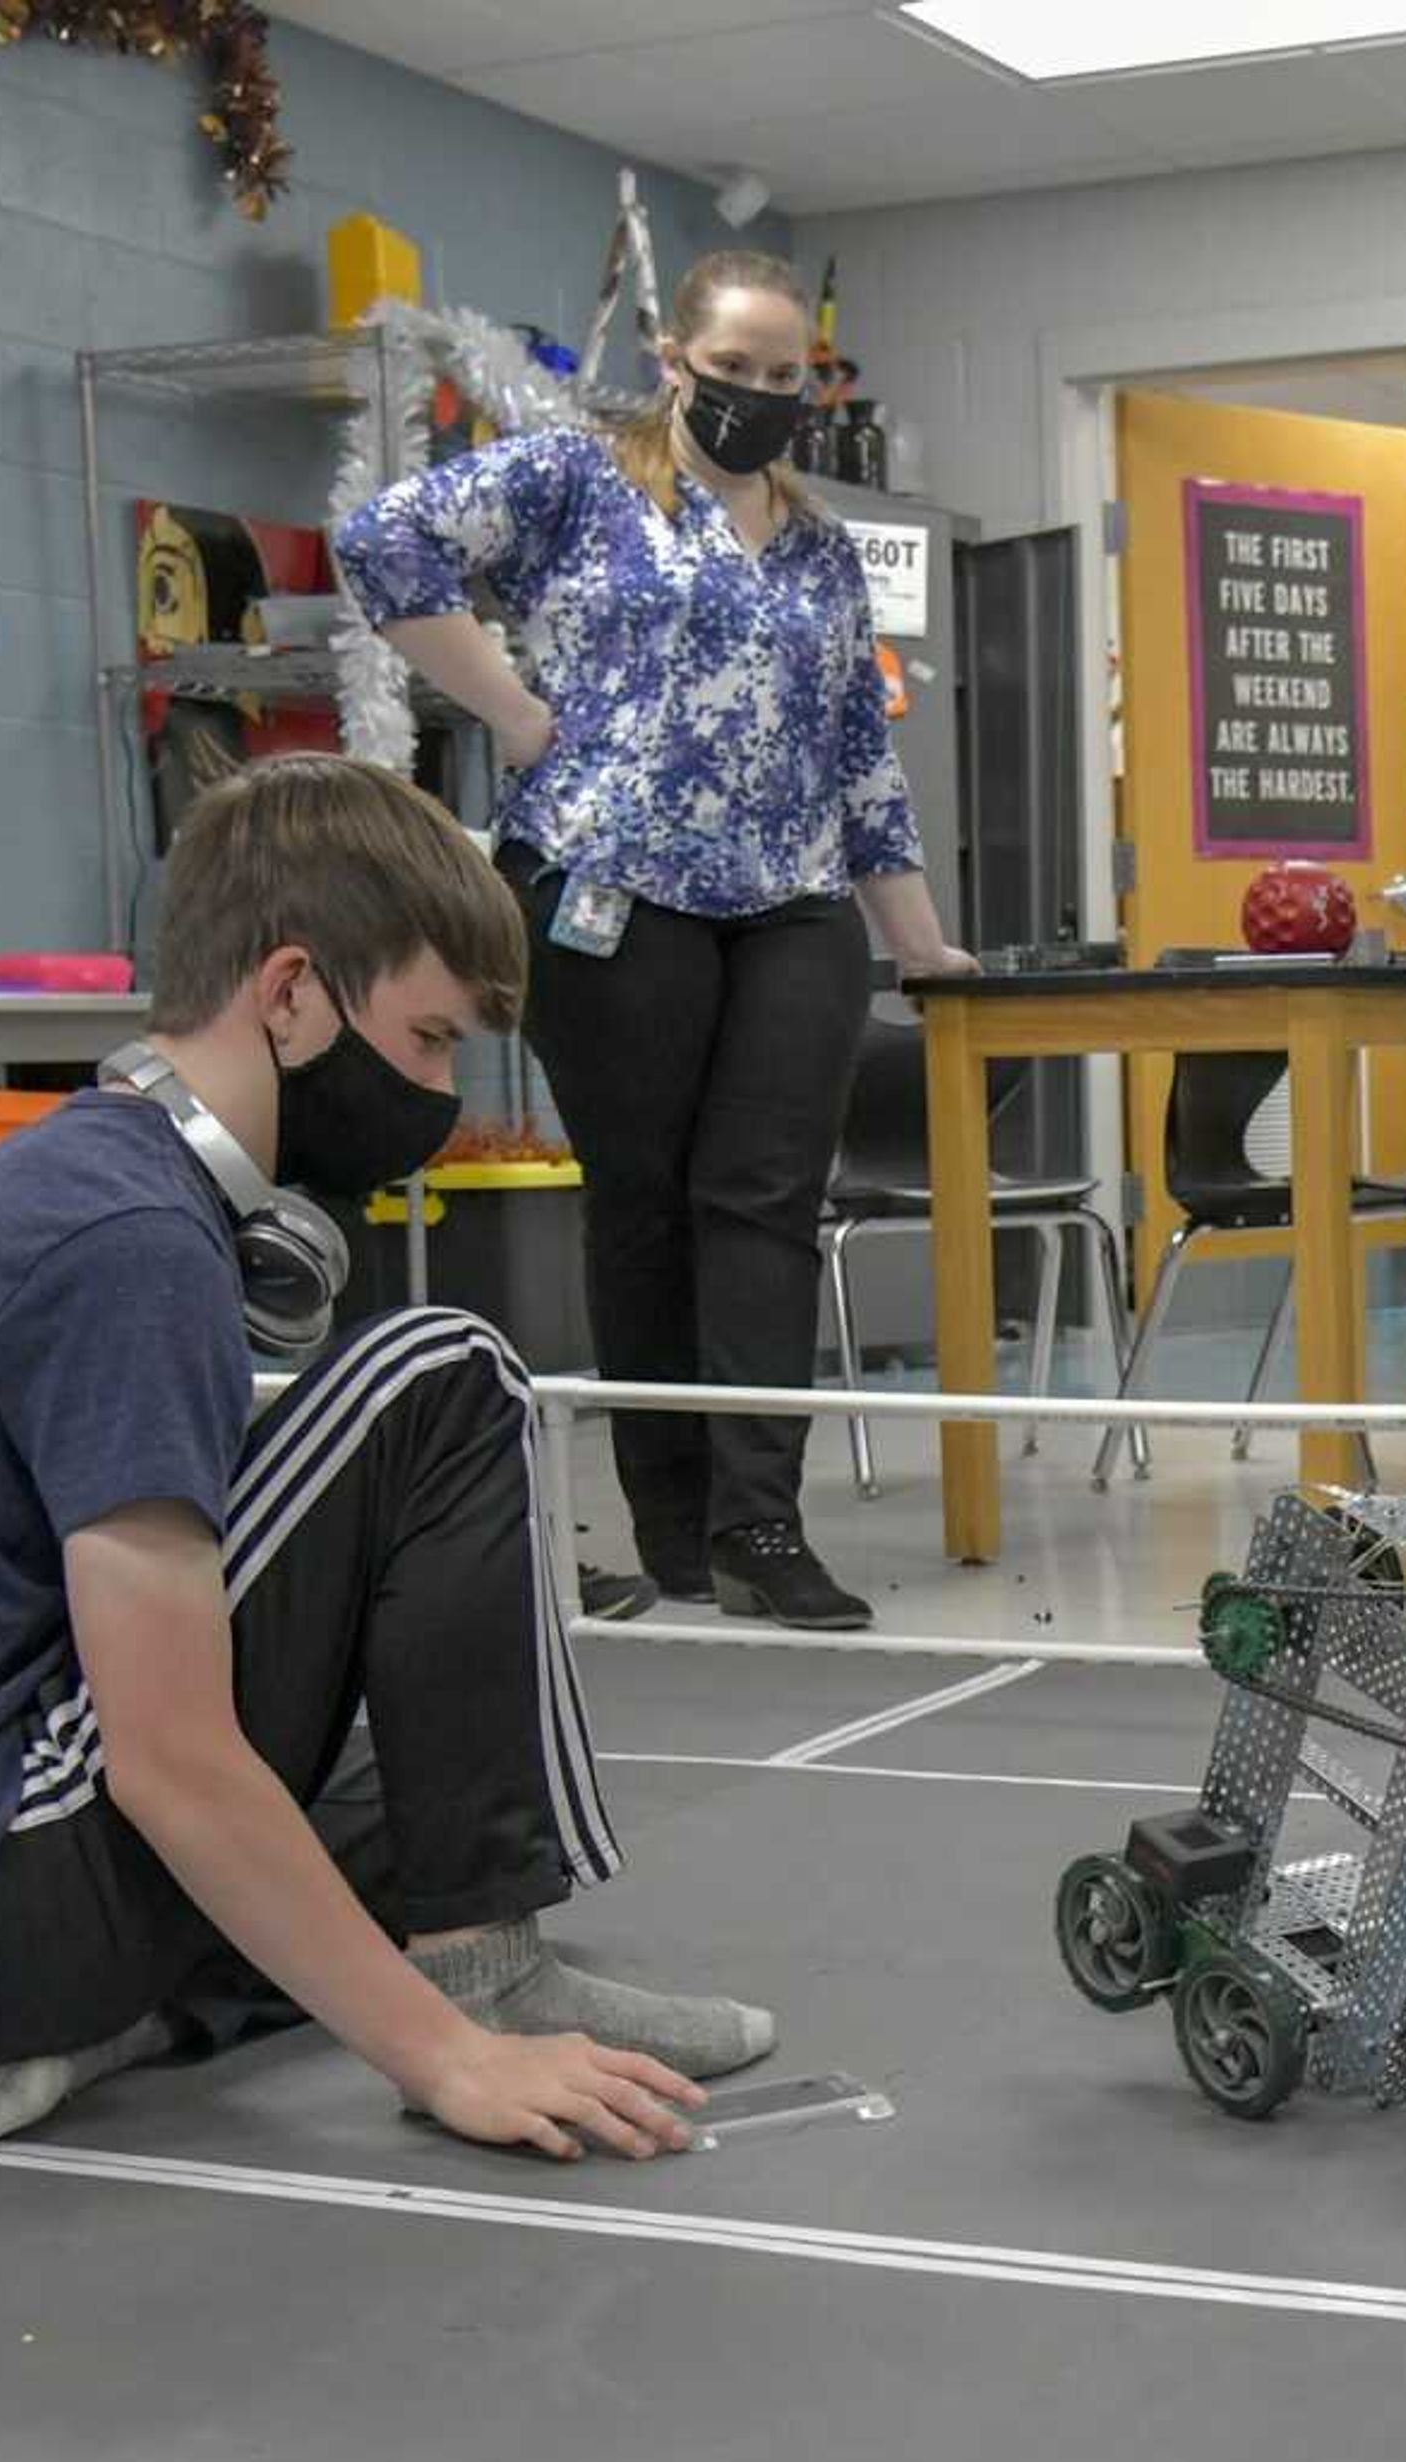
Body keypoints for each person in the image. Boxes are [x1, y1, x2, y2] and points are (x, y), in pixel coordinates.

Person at [0, 756, 774, 2155]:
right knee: (442, 1369)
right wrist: (447, 2054)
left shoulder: (107, 1182)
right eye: (425, 1041)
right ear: (288, 994)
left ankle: (127, 2019)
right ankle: (488, 1984)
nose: (440, 1095)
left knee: (427, 1774)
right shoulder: (127, 1239)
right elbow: (167, 1757)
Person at [336, 247, 971, 1636]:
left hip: (793, 904)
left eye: (781, 376)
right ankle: (674, 1527)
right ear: (675, 365)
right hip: (608, 885)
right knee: (643, 1200)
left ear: (812, 384)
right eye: (728, 369)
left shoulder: (817, 549)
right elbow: (382, 539)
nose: (753, 395)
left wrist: (924, 944)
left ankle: (761, 1525)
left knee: (762, 1198)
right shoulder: (575, 481)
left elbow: (861, 753)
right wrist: (511, 711)